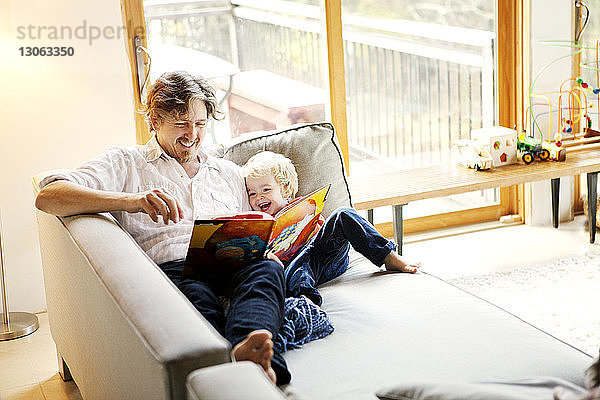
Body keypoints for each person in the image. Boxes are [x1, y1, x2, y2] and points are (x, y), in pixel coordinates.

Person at [35, 71, 289, 385]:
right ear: (155, 121)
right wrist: (131, 201)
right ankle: (225, 371)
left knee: (266, 271)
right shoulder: (127, 162)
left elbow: (254, 221)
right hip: (175, 267)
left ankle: (251, 355)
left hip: (232, 260)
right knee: (195, 296)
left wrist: (268, 245)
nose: (192, 135)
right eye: (181, 123)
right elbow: (49, 197)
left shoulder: (228, 172)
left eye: (200, 124)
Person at [241, 151, 421, 307]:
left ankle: (389, 257)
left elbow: (324, 230)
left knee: (343, 214)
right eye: (252, 193)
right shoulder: (260, 225)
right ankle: (308, 305)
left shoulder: (304, 206)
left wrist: (316, 228)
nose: (259, 197)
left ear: (286, 189)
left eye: (266, 189)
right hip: (298, 267)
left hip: (325, 256)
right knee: (296, 272)